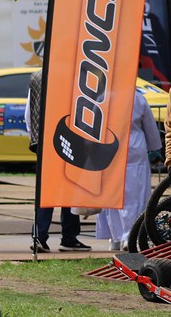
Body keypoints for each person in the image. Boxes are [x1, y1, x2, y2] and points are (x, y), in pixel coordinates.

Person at [26, 69, 91, 253]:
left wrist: (34, 137)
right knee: (69, 186)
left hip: (43, 140)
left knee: (46, 188)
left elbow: (29, 111)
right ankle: (69, 237)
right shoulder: (74, 75)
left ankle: (39, 236)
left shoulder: (36, 76)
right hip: (68, 137)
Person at [98, 88, 160, 251]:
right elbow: (150, 128)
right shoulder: (138, 98)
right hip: (134, 151)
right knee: (136, 196)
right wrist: (155, 147)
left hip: (108, 151)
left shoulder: (102, 97)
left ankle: (115, 237)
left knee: (112, 196)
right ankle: (130, 235)